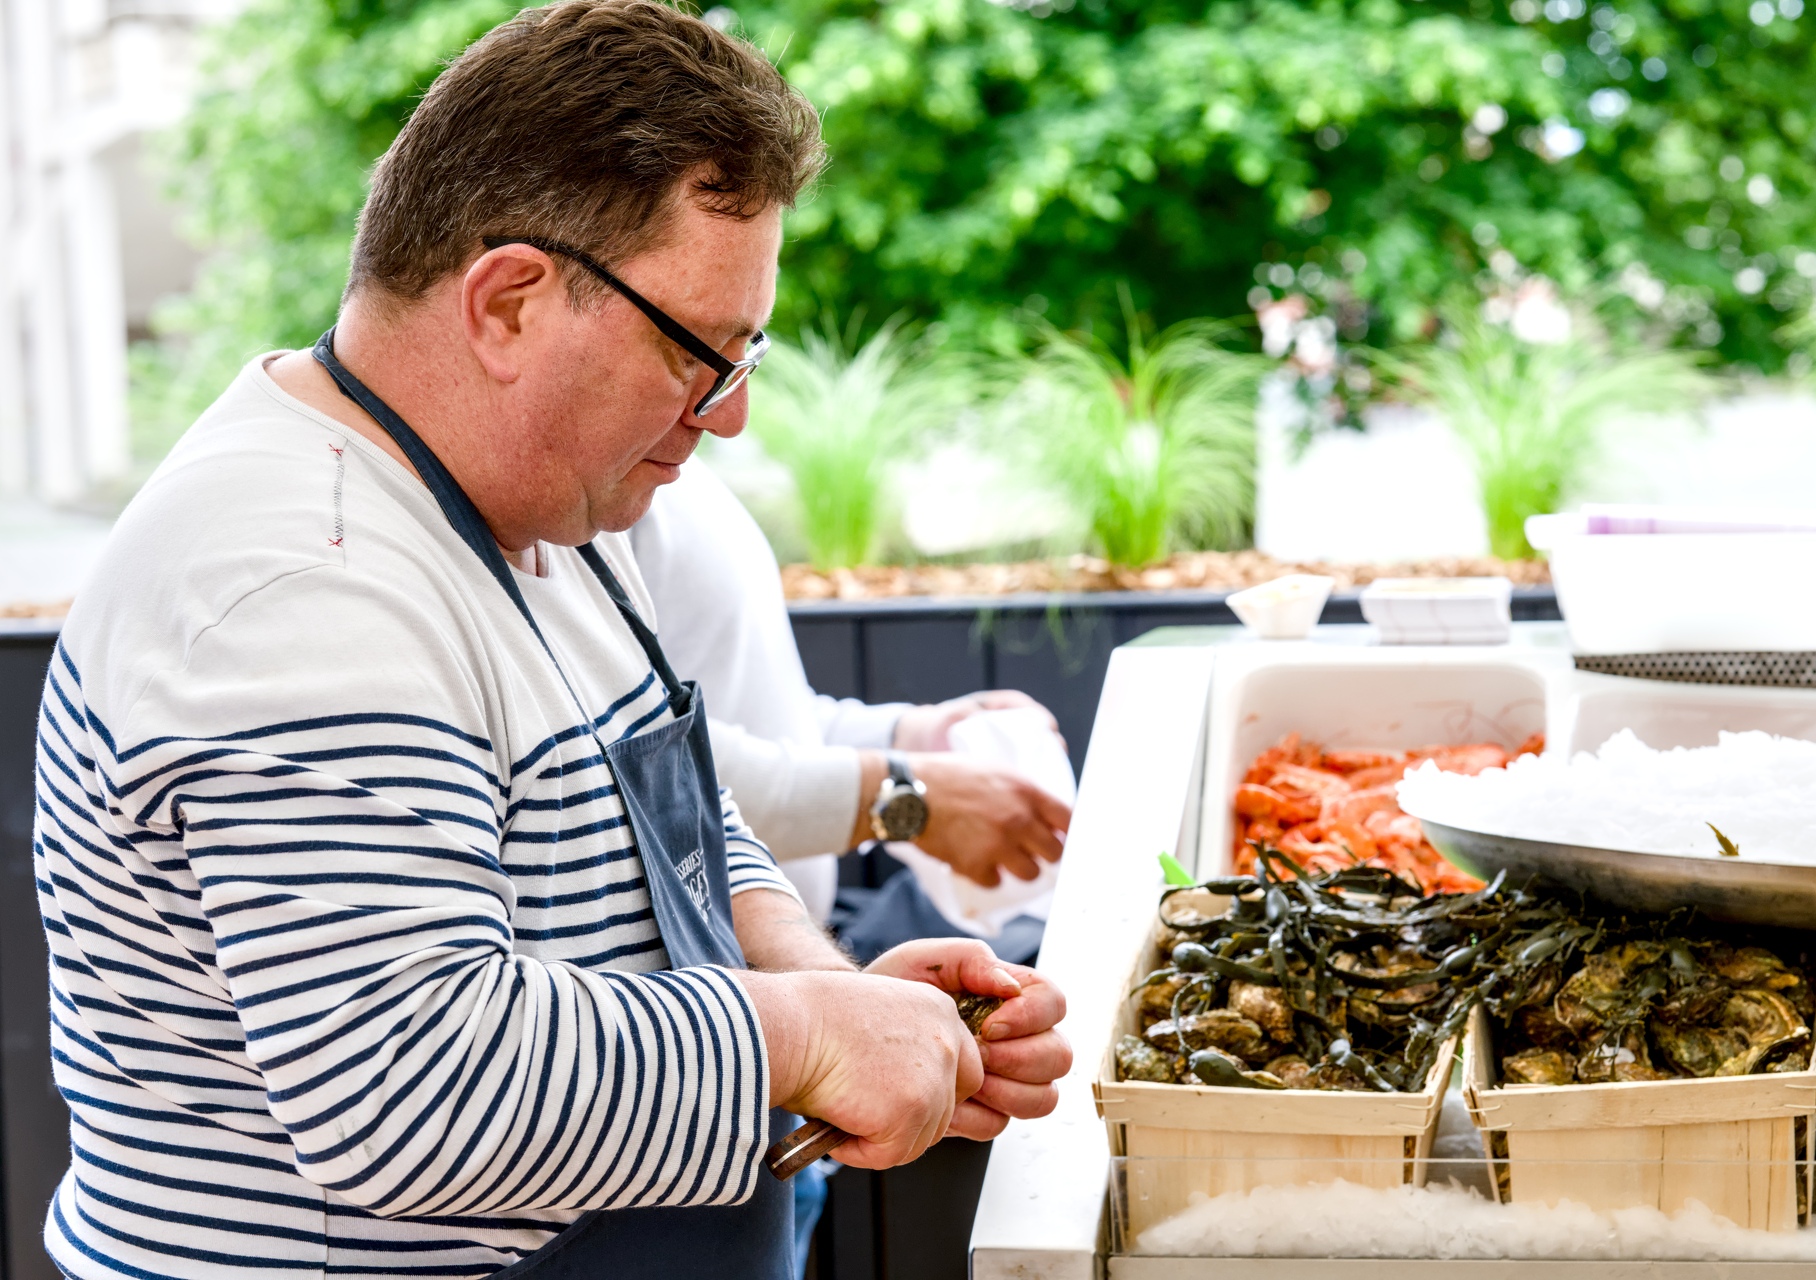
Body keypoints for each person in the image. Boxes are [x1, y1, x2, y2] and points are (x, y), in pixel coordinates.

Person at [31, 5, 1069, 1278]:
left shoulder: (523, 513)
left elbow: (675, 810)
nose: (727, 417)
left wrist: (854, 996)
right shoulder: (306, 580)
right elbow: (411, 1089)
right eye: (701, 351)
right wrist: (800, 1037)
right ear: (511, 302)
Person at [630, 454, 1074, 924]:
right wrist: (908, 796)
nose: (731, 419)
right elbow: (648, 763)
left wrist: (909, 734)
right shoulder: (596, 504)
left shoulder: (677, 469)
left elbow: (741, 710)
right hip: (706, 976)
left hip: (793, 944)